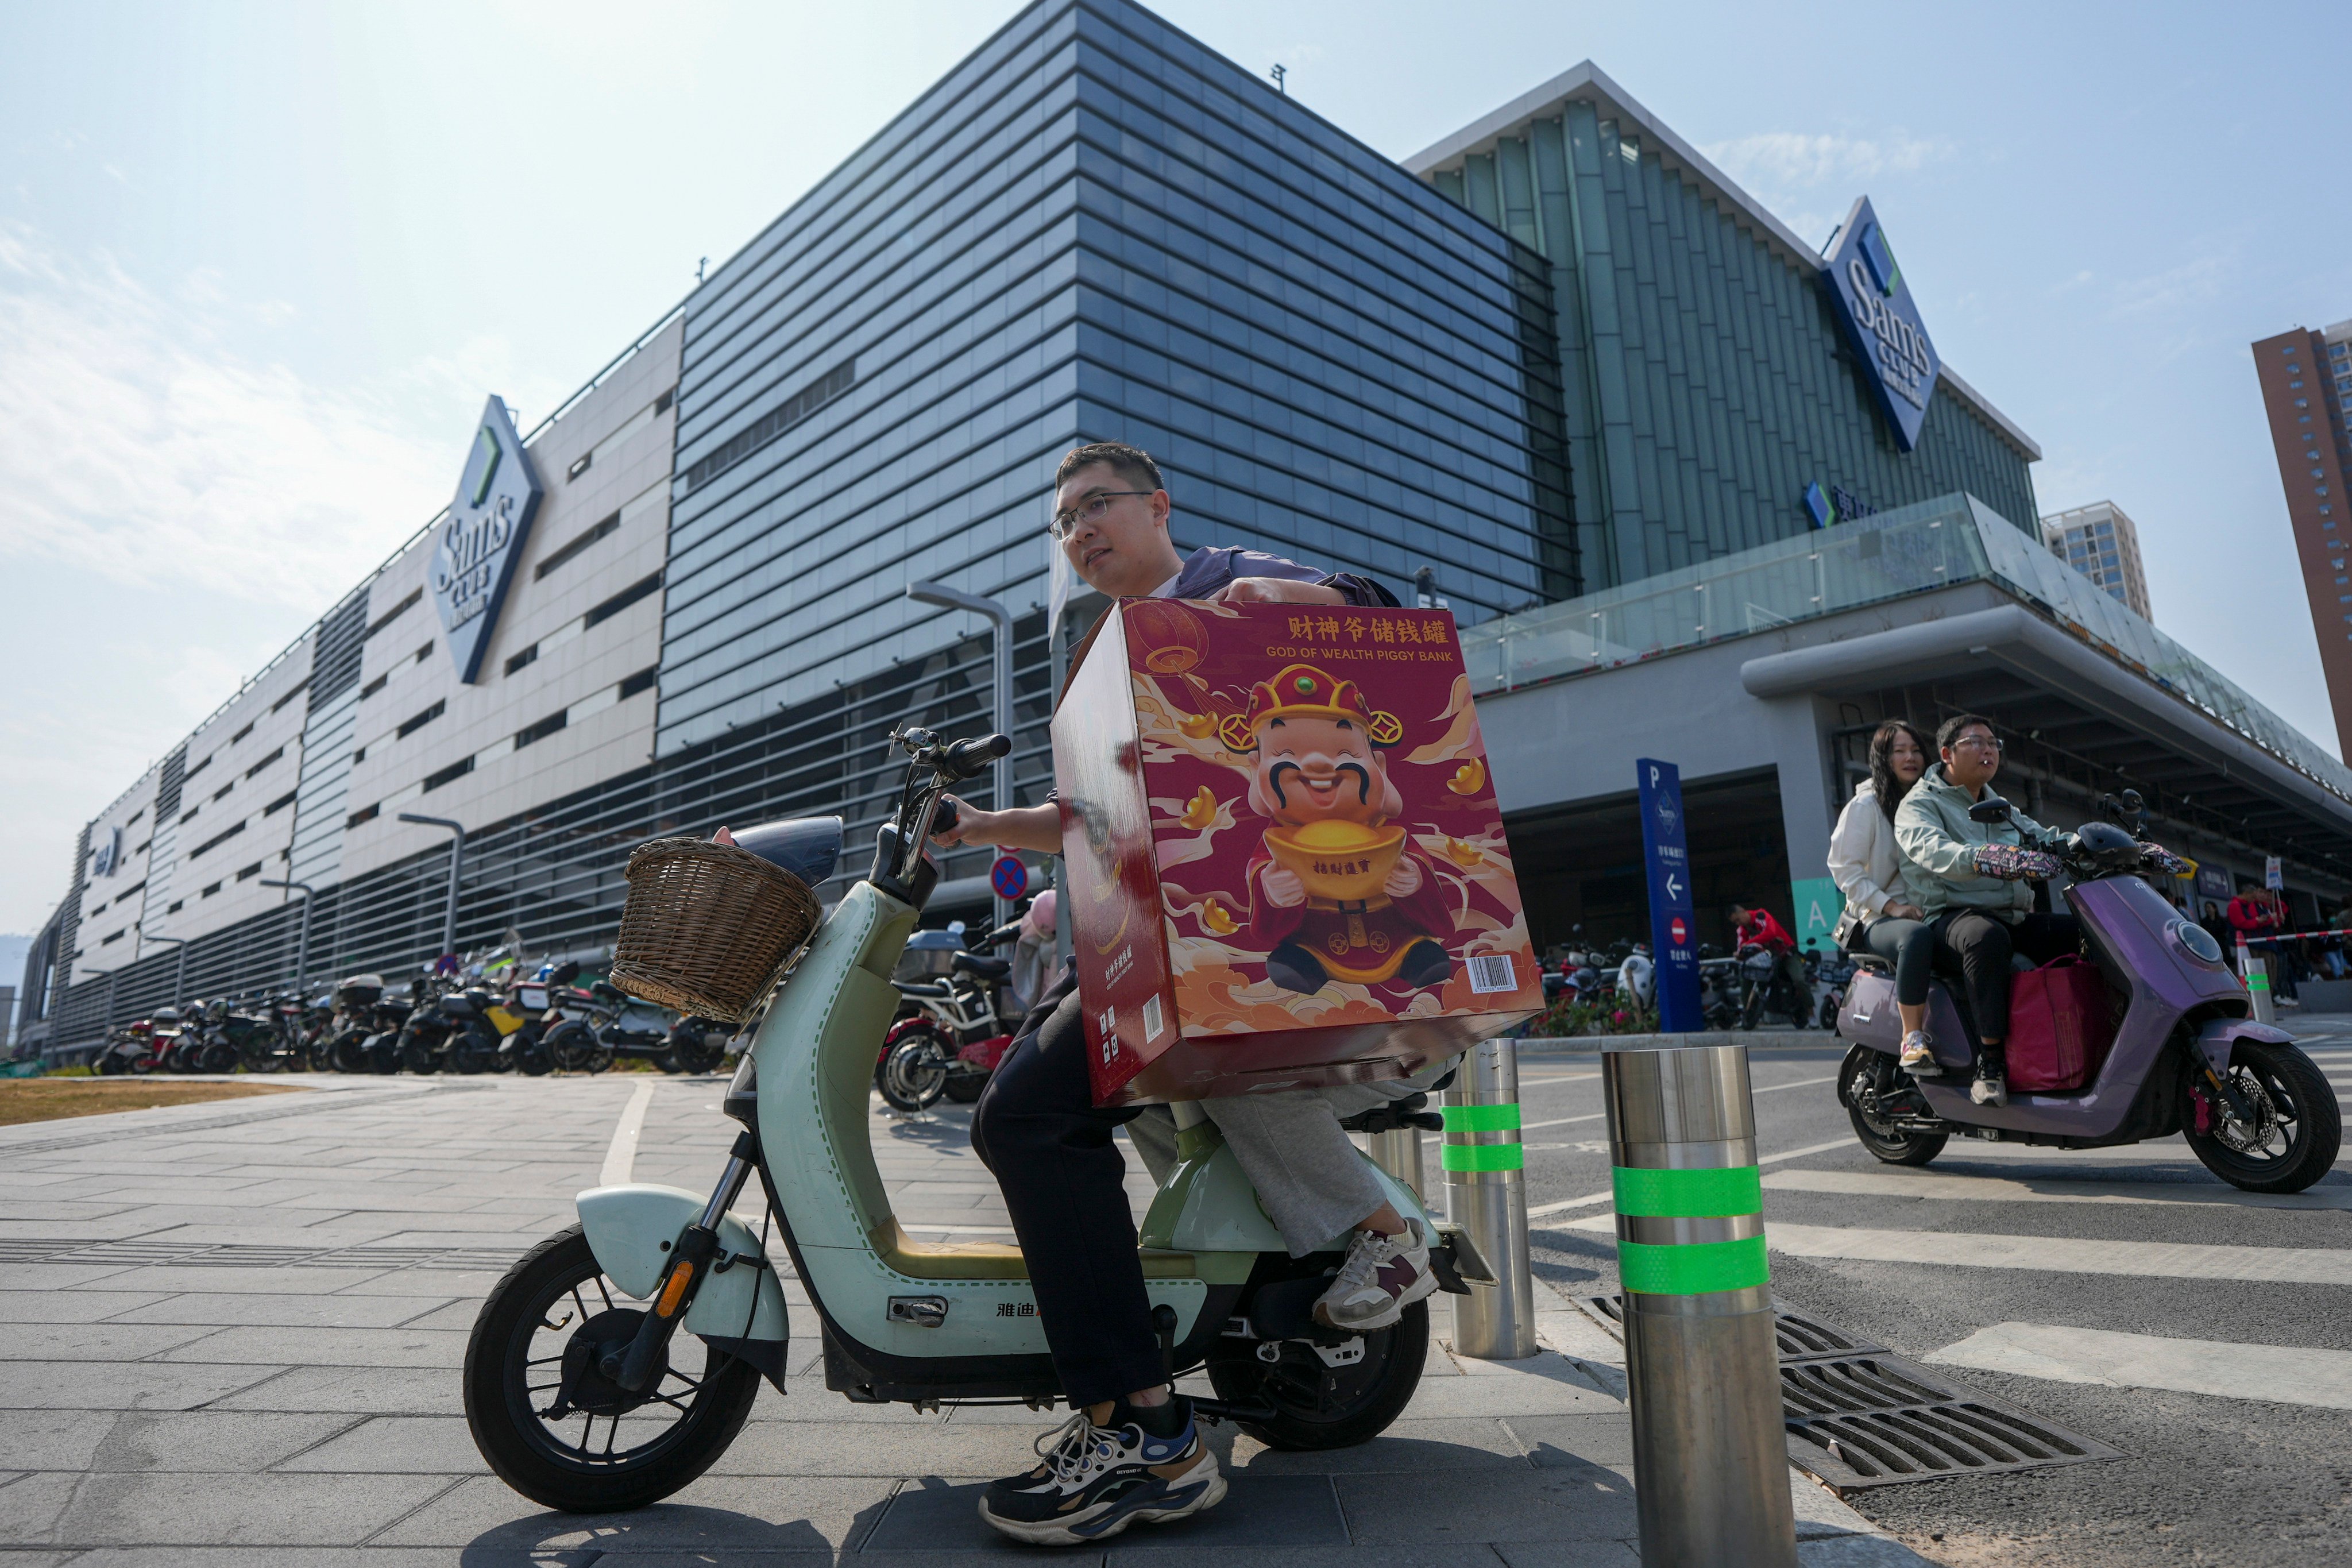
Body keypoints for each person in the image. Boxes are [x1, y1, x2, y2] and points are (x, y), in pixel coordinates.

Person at [931, 441, 1431, 1546]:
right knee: (1059, 1109)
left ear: (1158, 507)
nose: (1079, 531)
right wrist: (971, 829)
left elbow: (1361, 605)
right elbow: (1078, 819)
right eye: (1063, 522)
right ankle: (1188, 1346)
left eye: (1096, 506)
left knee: (1025, 1118)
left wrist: (1272, 601)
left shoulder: (1218, 584)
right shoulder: (1104, 655)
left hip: (1260, 941)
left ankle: (1150, 1438)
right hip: (1158, 953)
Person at [1892, 715, 2079, 1106]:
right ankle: (1989, 1064)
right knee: (1985, 938)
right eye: (1976, 742)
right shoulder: (1918, 805)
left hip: (2010, 914)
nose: (1988, 750)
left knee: (2083, 933)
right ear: (1946, 754)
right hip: (1950, 918)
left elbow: (2044, 839)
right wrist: (1987, 857)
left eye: (1993, 743)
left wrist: (2092, 842)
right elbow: (1934, 852)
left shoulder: (2001, 808)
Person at [1828, 720, 1936, 1067]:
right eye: (1899, 751)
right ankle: (1912, 1038)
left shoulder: (1930, 802)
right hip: (1878, 918)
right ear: (1882, 759)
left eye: (1916, 749)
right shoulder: (1866, 806)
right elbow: (1844, 869)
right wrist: (1891, 906)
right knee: (1916, 939)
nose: (1910, 758)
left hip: (1929, 908)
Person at [1729, 901, 1808, 1022]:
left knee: (1799, 980)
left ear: (1744, 912)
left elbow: (1771, 933)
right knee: (1746, 976)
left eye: (1738, 920)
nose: (1738, 924)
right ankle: (1747, 1013)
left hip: (1786, 954)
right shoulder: (1742, 930)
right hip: (1767, 960)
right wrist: (1739, 954)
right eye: (1735, 922)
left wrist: (1748, 944)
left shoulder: (1761, 916)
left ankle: (1811, 1014)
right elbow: (1741, 947)